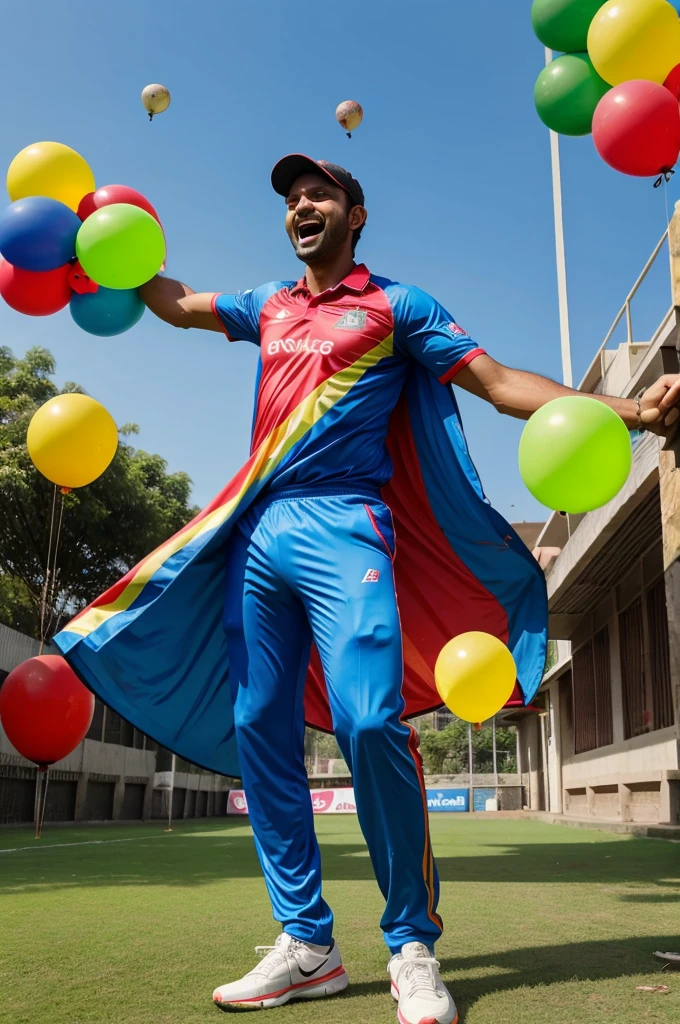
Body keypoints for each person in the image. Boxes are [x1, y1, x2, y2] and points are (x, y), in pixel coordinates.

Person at [55, 155, 680, 1024]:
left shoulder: (399, 306)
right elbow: (179, 303)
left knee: (368, 718)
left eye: (317, 193)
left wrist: (635, 413)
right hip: (258, 535)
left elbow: (501, 388)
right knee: (257, 728)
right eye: (288, 197)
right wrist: (94, 253)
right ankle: (307, 943)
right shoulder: (269, 303)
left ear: (355, 213)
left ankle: (412, 945)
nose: (299, 206)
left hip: (347, 523)